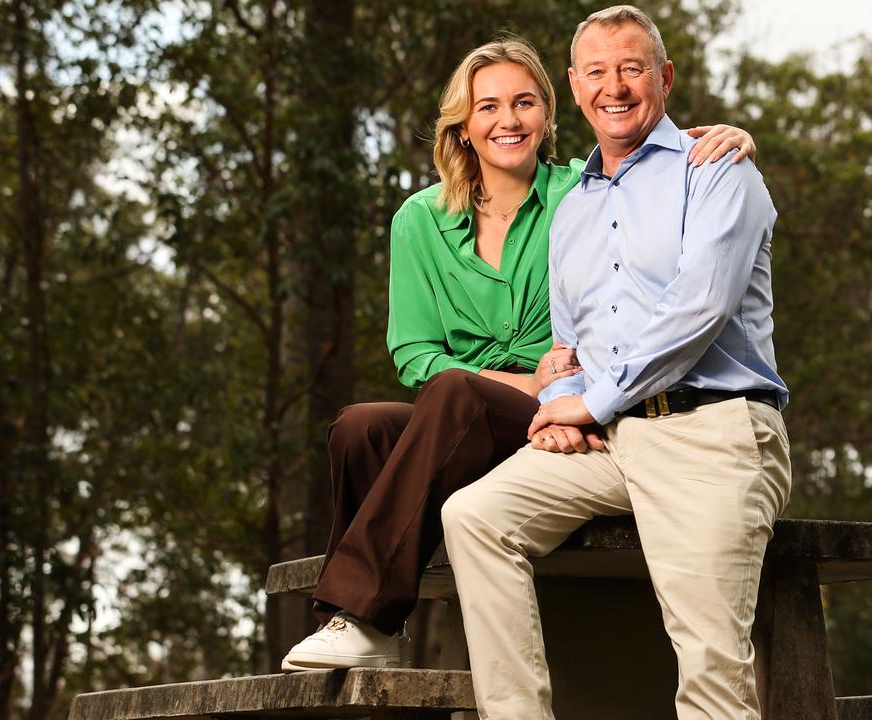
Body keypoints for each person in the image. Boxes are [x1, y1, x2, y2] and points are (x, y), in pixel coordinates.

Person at [280, 36, 756, 672]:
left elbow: (642, 185)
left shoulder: (583, 194)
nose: (508, 120)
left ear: (548, 114)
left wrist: (733, 136)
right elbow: (415, 354)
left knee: (453, 393)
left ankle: (362, 612)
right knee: (361, 426)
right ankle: (367, 631)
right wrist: (518, 379)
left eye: (525, 103)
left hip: (564, 418)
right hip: (474, 417)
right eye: (489, 107)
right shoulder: (418, 220)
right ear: (464, 127)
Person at [440, 6, 791, 719]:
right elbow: (567, 344)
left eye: (632, 68)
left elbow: (700, 311)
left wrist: (592, 400)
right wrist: (564, 405)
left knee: (712, 674)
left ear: (663, 76)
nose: (616, 86)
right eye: (597, 71)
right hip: (609, 442)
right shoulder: (571, 210)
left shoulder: (716, 169)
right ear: (574, 88)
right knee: (475, 517)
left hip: (710, 432)